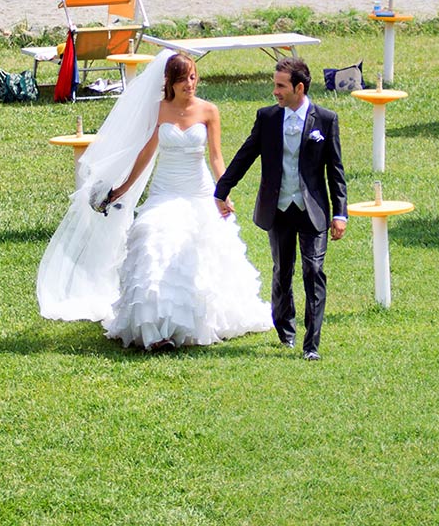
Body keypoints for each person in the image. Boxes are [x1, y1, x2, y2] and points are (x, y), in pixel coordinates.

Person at [36, 52, 272, 351]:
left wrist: (222, 193)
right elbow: (146, 152)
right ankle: (154, 330)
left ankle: (191, 321)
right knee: (151, 236)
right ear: (169, 83)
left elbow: (216, 157)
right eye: (183, 79)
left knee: (200, 246)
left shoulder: (209, 110)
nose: (190, 84)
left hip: (198, 191)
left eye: (193, 77)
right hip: (165, 190)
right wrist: (121, 189)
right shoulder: (159, 110)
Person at [213, 57, 348, 360]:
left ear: (299, 88)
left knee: (313, 271)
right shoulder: (268, 118)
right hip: (278, 207)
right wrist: (221, 190)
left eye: (280, 86)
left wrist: (340, 213)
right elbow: (245, 155)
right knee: (281, 272)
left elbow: (335, 171)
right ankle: (286, 331)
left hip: (311, 208)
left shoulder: (325, 119)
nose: (274, 91)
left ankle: (311, 346)